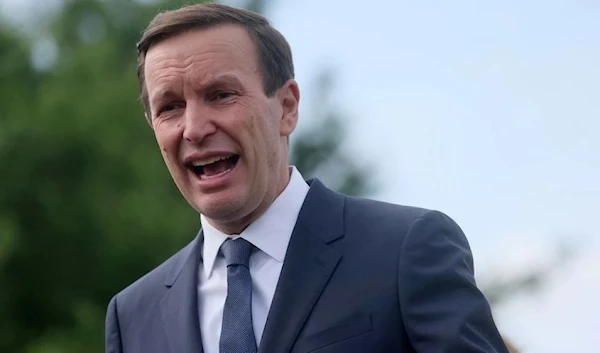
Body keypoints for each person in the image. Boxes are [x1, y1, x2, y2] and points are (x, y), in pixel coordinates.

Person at [105, 3, 510, 353]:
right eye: (170, 107)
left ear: (286, 108)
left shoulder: (405, 250)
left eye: (221, 95)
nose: (193, 128)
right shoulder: (133, 315)